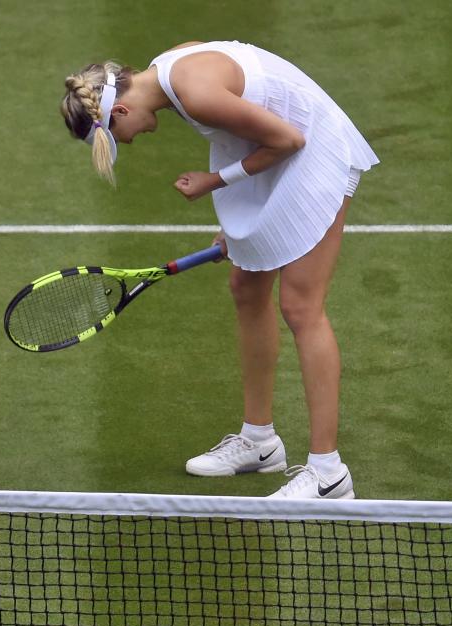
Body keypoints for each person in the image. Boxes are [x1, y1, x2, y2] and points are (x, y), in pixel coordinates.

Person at [60, 41, 378, 498]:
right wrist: (239, 222)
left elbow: (291, 140)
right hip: (278, 152)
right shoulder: (167, 72)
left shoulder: (193, 90)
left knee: (301, 307)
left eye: (118, 138)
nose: (131, 141)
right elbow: (251, 130)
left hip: (314, 151)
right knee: (246, 288)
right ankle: (260, 442)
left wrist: (214, 183)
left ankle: (329, 472)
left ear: (122, 110)